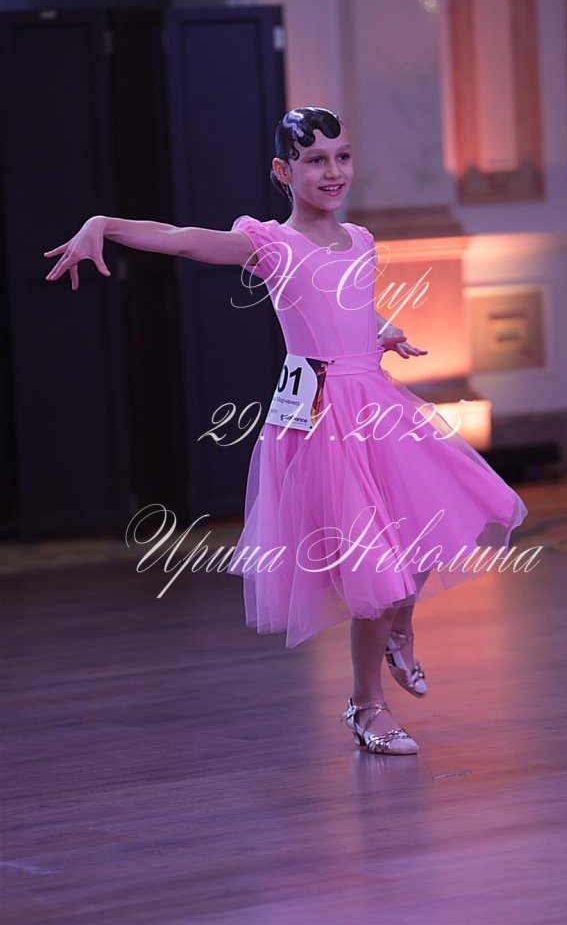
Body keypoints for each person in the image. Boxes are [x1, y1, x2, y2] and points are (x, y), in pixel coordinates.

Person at [44, 106, 528, 756]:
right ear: (283, 170)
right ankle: (367, 706)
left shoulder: (360, 240)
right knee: (373, 569)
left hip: (376, 407)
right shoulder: (270, 244)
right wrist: (104, 225)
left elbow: (349, 304)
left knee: (420, 529)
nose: (333, 171)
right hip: (323, 421)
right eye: (315, 159)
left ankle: (399, 630)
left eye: (342, 156)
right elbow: (183, 238)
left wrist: (382, 330)